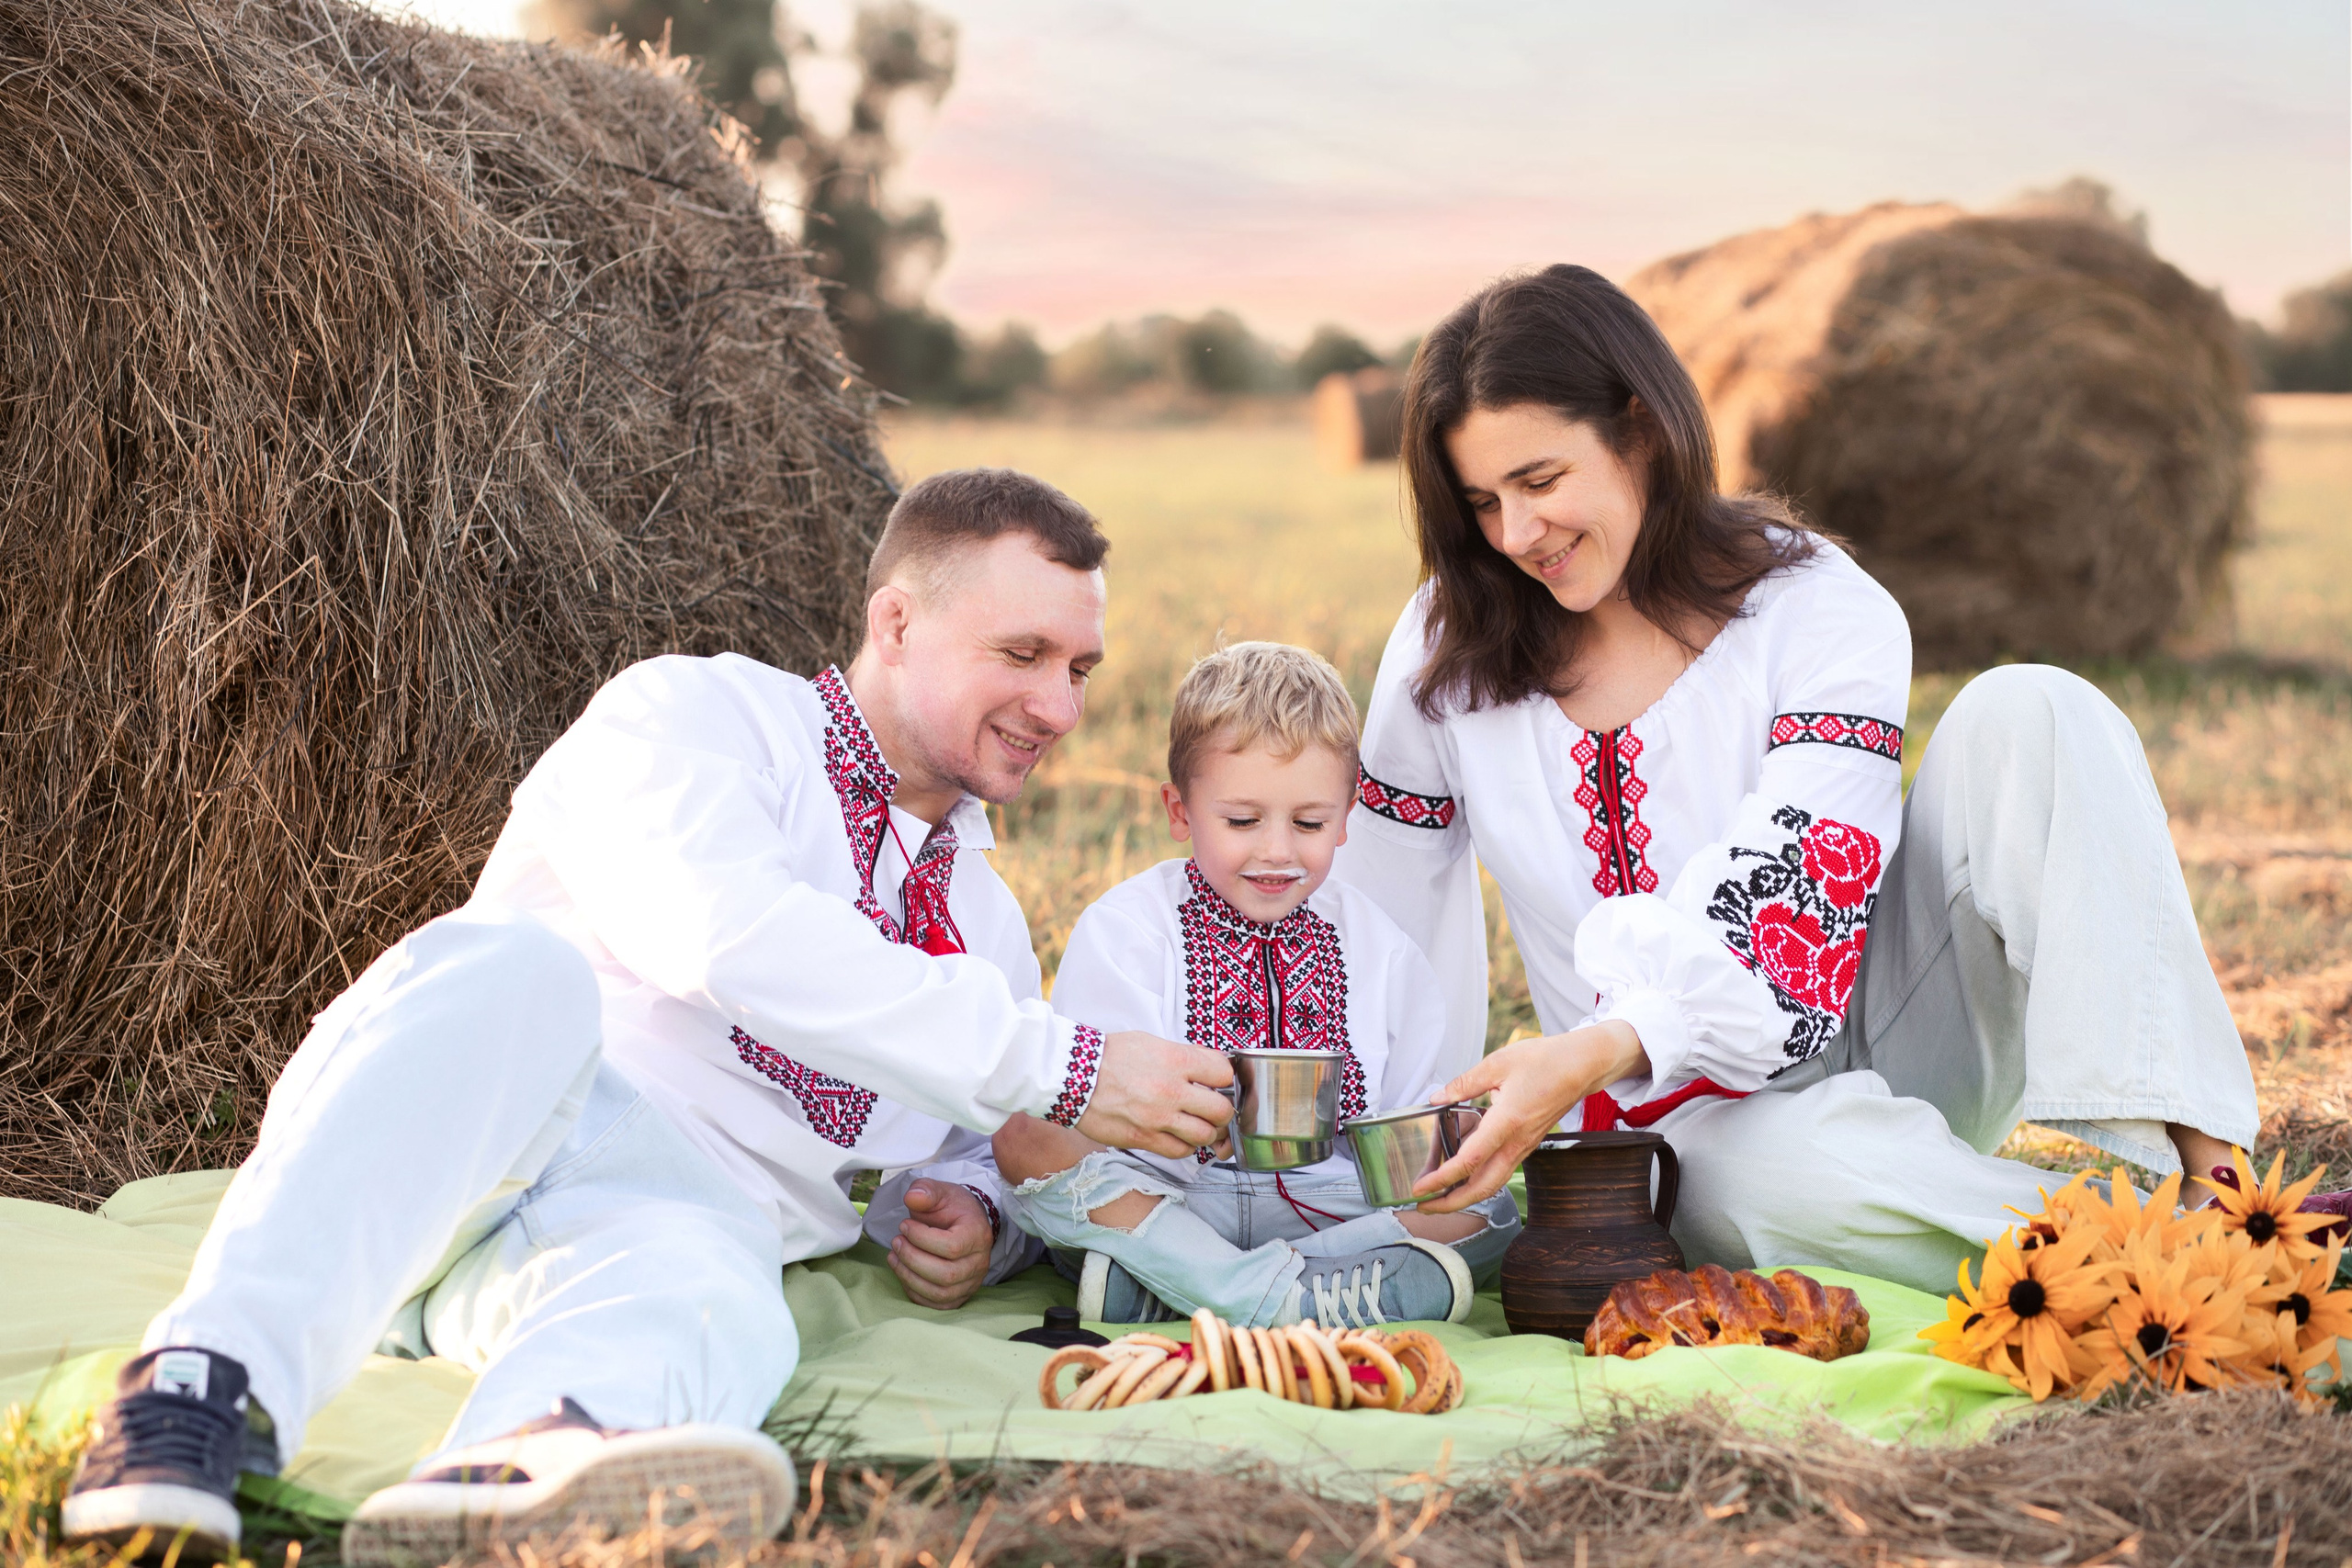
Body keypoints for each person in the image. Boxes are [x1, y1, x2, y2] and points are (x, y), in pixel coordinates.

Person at [62, 468, 1236, 1566]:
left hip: (657, 1222)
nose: (1058, 705)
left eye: (1078, 669)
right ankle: (199, 1395)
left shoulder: (977, 920)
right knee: (513, 969)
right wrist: (1066, 1061)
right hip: (479, 1129)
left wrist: (980, 1211)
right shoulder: (695, 714)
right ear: (895, 625)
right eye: (1022, 653)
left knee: (728, 1296)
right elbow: (722, 930)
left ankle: (527, 1463)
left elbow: (981, 1129)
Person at [1330, 263, 2293, 1296]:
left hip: (1879, 1030)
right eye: (1480, 501)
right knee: (1764, 1181)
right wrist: (1391, 1134)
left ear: (1640, 430)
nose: (1517, 536)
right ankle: (2137, 1269)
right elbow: (1383, 904)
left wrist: (1605, 1039)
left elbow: (1802, 894)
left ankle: (2220, 1193)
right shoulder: (1449, 641)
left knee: (2039, 709)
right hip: (1675, 1131)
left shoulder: (1814, 604)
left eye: (1540, 481)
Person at [992, 643, 1523, 1326]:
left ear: (1346, 814)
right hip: (1172, 1199)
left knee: (1491, 1198)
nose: (1277, 850)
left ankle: (1182, 1287)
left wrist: (1434, 1139)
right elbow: (1085, 1109)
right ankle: (1296, 1296)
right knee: (1026, 1134)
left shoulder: (1380, 947)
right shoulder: (1127, 929)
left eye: (1309, 823)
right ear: (1180, 812)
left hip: (1331, 1206)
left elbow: (1404, 1139)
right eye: (1242, 821)